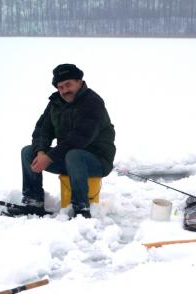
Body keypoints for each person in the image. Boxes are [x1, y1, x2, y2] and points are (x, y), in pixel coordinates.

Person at [10, 64, 116, 218]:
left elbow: (80, 138)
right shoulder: (56, 103)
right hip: (67, 157)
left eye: (68, 84)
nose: (65, 90)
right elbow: (42, 130)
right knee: (28, 152)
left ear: (79, 82)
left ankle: (81, 209)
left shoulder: (92, 102)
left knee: (74, 154)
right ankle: (33, 202)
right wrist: (40, 152)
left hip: (97, 160)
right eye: (60, 87)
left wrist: (49, 157)